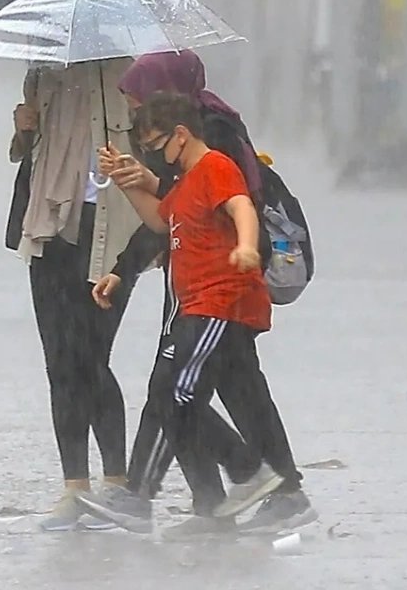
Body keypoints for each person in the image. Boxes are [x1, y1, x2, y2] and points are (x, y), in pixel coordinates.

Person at [78, 53, 316, 535]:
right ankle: (240, 499)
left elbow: (232, 204)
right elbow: (167, 215)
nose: (134, 114)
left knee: (173, 390)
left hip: (219, 286)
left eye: (139, 102)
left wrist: (246, 247)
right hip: (201, 284)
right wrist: (132, 200)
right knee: (235, 391)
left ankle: (220, 483)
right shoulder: (180, 150)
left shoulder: (212, 144)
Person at [7, 59, 144, 531]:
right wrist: (23, 129)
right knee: (59, 361)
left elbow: (156, 154)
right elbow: (27, 154)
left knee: (91, 357)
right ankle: (74, 488)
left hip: (111, 229)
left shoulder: (129, 75)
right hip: (49, 227)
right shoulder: (42, 71)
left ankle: (117, 482)